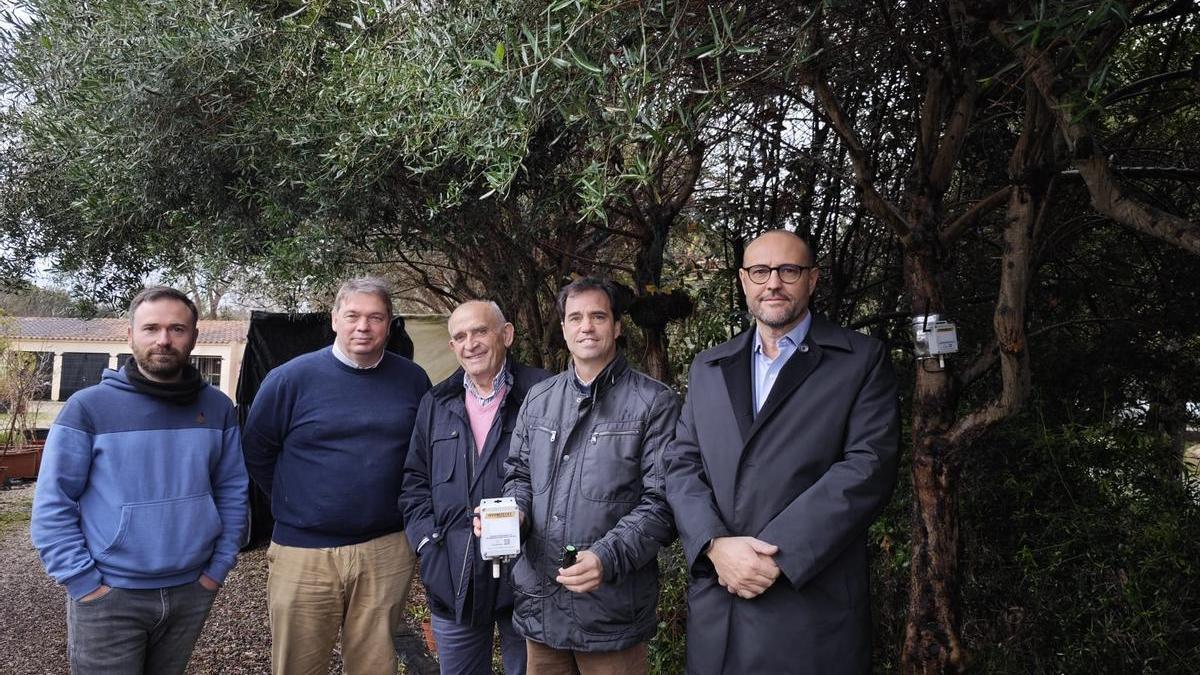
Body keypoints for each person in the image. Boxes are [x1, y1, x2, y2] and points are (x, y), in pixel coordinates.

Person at [664, 229, 900, 674]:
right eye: (760, 271)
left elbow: (868, 468)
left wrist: (781, 556)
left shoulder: (859, 360)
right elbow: (681, 463)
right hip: (721, 607)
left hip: (809, 606)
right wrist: (714, 544)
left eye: (788, 270)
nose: (773, 282)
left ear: (812, 279)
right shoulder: (708, 367)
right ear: (743, 281)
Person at [31, 286, 248, 674]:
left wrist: (217, 570)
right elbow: (52, 503)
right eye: (151, 328)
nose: (164, 339)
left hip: (190, 591)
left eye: (177, 329)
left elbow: (232, 491)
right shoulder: (88, 408)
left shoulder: (217, 408)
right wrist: (83, 582)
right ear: (130, 335)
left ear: (194, 337)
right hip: (110, 596)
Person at [242, 277, 431, 675]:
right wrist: (298, 501)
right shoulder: (289, 380)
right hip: (305, 554)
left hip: (387, 550)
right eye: (353, 316)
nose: (363, 326)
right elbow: (257, 450)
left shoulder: (412, 380)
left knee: (374, 665)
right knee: (299, 664)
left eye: (375, 317)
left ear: (389, 323)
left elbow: (423, 454)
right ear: (334, 320)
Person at [498, 277, 679, 674]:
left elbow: (662, 504)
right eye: (575, 317)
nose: (586, 326)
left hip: (610, 610)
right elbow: (518, 476)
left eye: (598, 316)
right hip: (541, 605)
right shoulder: (540, 399)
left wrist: (606, 556)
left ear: (616, 326)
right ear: (563, 329)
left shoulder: (654, 403)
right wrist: (516, 516)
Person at [401, 300, 551, 675]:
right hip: (454, 574)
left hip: (529, 575)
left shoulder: (545, 394)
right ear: (452, 347)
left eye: (480, 331)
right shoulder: (435, 403)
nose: (471, 343)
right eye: (460, 336)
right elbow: (414, 483)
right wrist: (426, 545)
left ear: (507, 334)